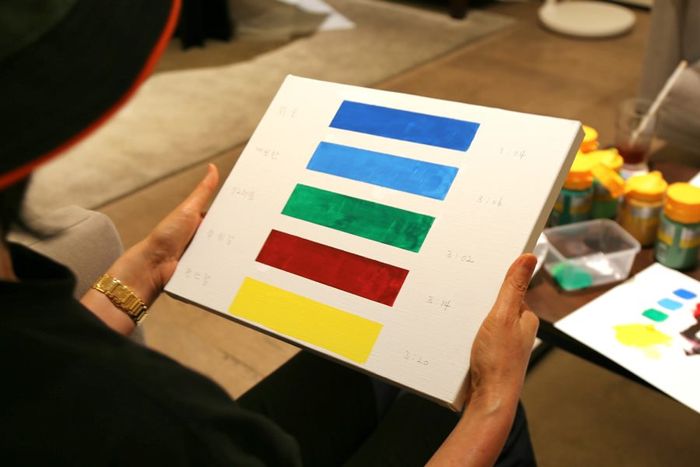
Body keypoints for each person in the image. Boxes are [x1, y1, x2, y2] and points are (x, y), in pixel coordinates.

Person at [0, 1, 539, 465]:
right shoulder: (159, 419)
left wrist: (148, 268)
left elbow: (40, 366)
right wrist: (493, 401)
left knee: (380, 372)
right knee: (473, 408)